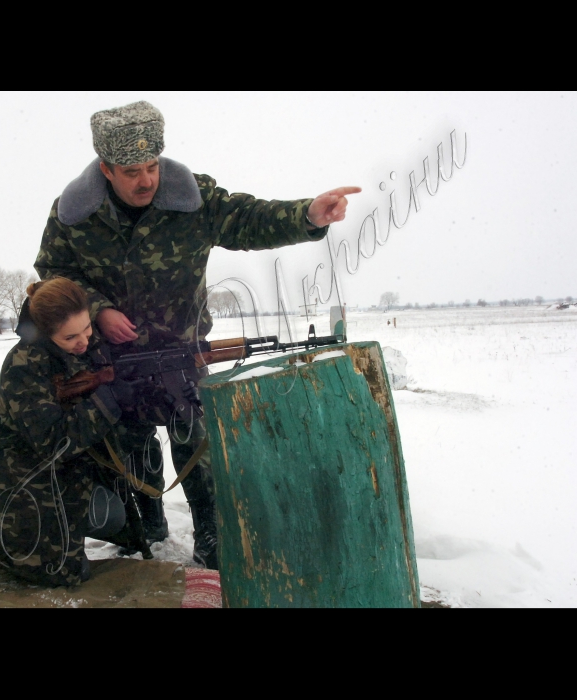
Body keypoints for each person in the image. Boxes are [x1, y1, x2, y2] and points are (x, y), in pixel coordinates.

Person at [34, 100, 361, 570]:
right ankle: (145, 526)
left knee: (195, 441)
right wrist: (98, 311)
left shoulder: (193, 198)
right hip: (113, 358)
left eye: (151, 166)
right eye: (131, 171)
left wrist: (308, 215)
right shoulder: (72, 215)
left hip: (180, 351)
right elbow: (51, 273)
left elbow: (248, 219)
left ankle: (210, 534)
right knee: (129, 440)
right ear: (106, 169)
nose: (146, 180)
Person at [0, 277, 150, 587]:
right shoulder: (24, 365)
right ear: (46, 333)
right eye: (70, 336)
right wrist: (108, 402)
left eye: (87, 327)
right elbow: (53, 441)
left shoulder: (86, 348)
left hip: (61, 471)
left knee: (113, 517)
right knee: (64, 574)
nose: (84, 342)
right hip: (14, 473)